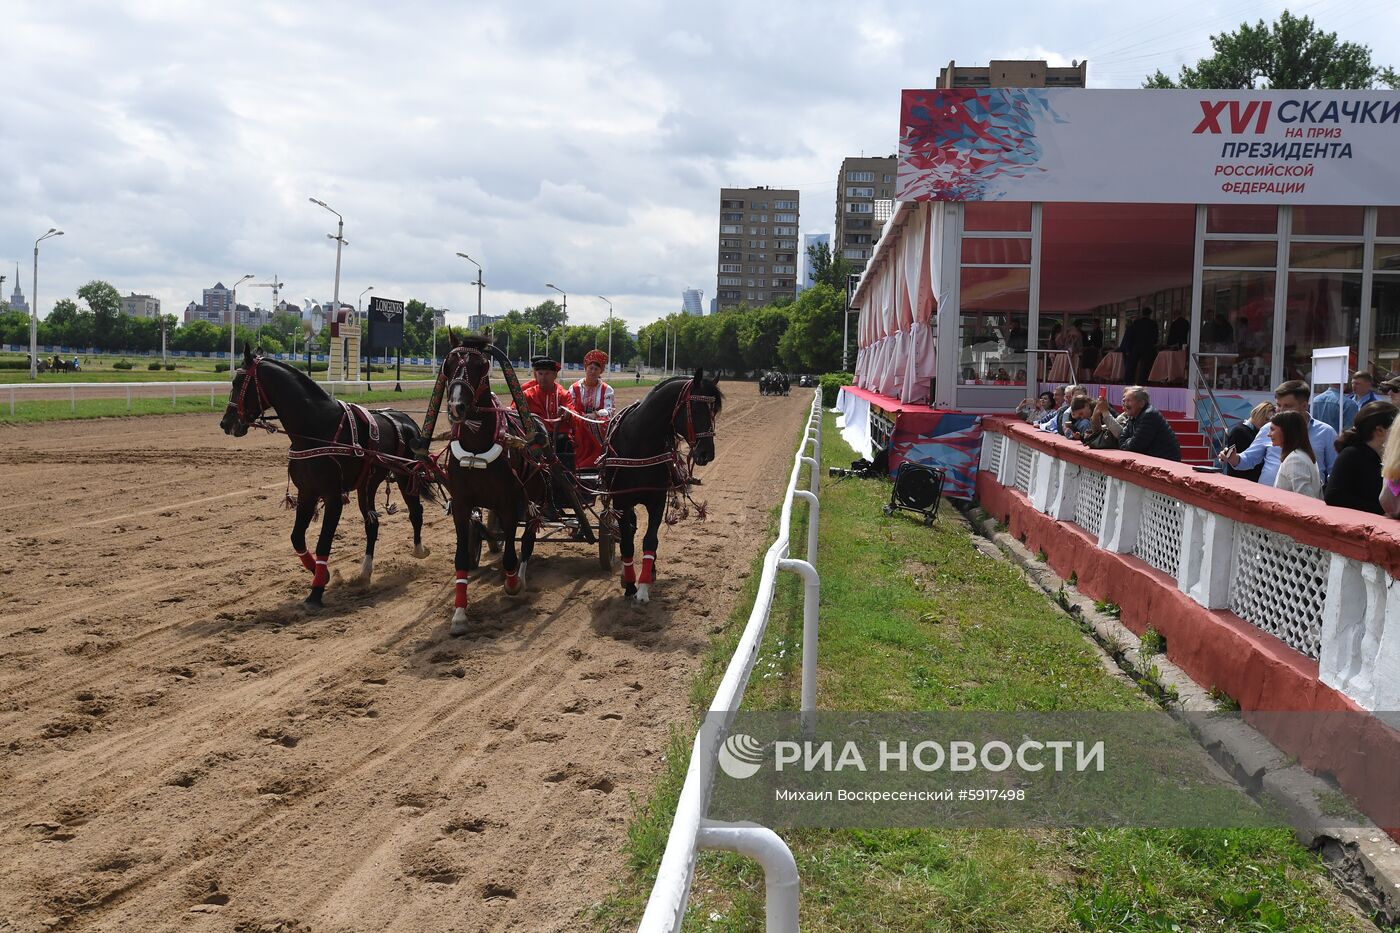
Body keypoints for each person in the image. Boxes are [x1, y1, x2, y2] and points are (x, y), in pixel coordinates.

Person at [1219, 380, 1338, 485]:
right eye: (1278, 405)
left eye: (1287, 406)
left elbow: (1334, 472)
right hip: (1266, 498)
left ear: (1304, 406)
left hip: (1305, 502)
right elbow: (1249, 458)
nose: (1280, 411)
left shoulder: (1326, 433)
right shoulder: (1268, 428)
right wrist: (1234, 458)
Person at [1326, 401, 1396, 514]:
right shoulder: (1351, 454)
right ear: (1380, 430)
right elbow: (1334, 495)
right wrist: (1381, 511)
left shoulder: (1384, 457)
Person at [1092, 386, 1181, 461]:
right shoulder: (1133, 416)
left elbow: (1133, 447)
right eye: (1124, 401)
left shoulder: (1149, 415)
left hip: (1165, 462)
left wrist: (1127, 442)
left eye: (1129, 401)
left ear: (1141, 403)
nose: (1125, 405)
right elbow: (1122, 438)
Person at [566, 349, 615, 469]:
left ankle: (599, 457)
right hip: (578, 420)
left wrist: (596, 414)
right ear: (586, 368)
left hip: (597, 420)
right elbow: (569, 406)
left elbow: (610, 410)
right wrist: (580, 416)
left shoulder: (607, 389)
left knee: (600, 424)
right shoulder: (574, 387)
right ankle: (579, 461)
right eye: (590, 368)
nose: (592, 371)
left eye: (596, 369)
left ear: (600, 371)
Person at [1270, 410, 1322, 498]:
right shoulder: (1301, 455)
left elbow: (1306, 499)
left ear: (1286, 431)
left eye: (1272, 429)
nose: (1268, 434)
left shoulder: (1295, 459)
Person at [1224, 401, 1276, 483]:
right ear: (1257, 414)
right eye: (1266, 419)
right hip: (1241, 480)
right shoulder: (1239, 431)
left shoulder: (1255, 431)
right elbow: (1235, 458)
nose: (1267, 423)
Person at [521, 356, 572, 440]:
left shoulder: (564, 394)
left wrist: (568, 414)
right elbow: (514, 413)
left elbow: (572, 412)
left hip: (560, 437)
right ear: (535, 375)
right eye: (540, 374)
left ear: (555, 375)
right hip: (536, 436)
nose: (543, 378)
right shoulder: (527, 394)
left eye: (547, 374)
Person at [1122, 307, 1159, 385]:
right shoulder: (1153, 324)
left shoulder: (1136, 323)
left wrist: (1129, 348)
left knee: (1132, 364)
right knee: (1145, 366)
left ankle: (1129, 381)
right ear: (1150, 314)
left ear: (1142, 313)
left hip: (1136, 346)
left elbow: (1131, 336)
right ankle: (1142, 382)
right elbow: (1155, 336)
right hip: (1148, 347)